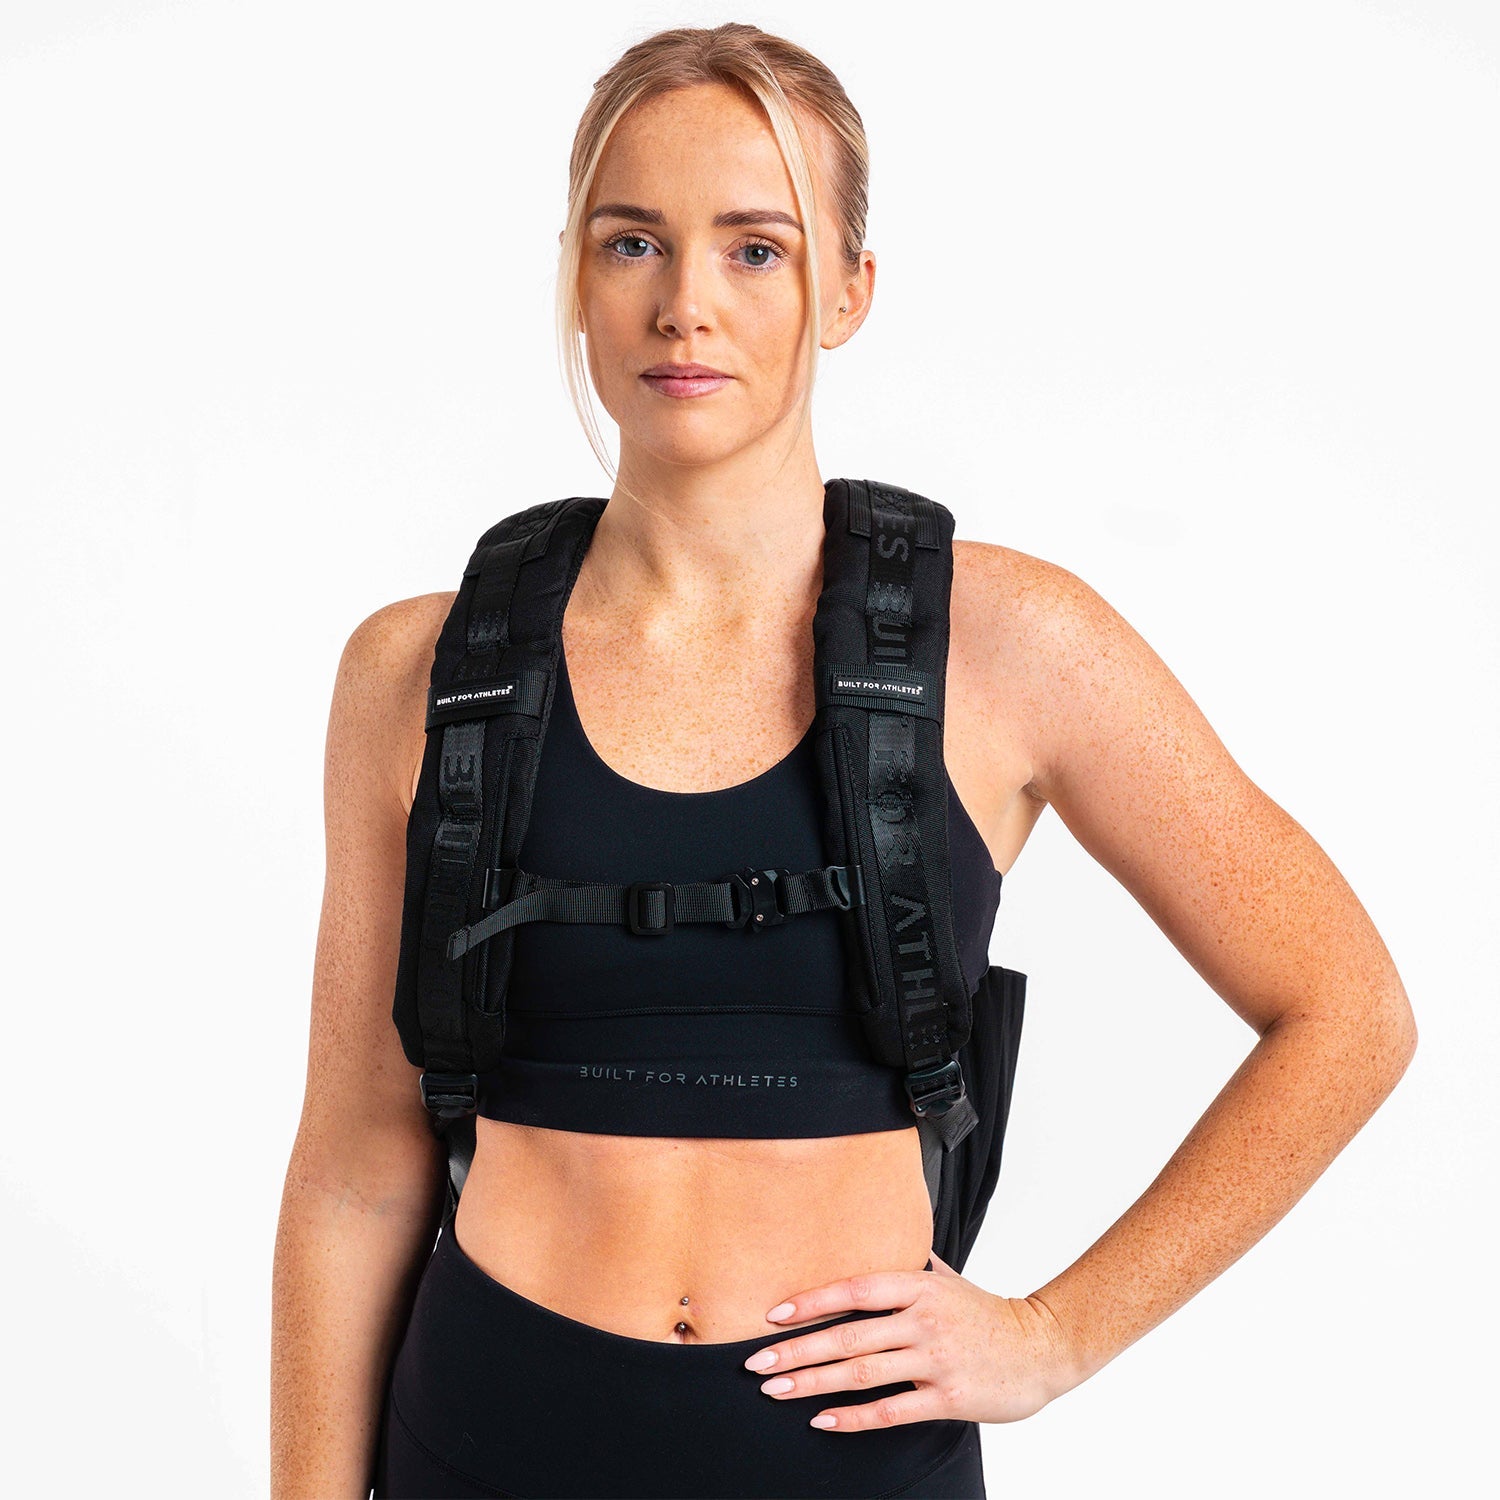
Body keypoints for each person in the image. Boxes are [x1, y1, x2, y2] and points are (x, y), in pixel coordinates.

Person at [269, 22, 1418, 1500]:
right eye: (633, 243)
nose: (685, 305)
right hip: (483, 1443)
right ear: (575, 273)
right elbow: (355, 1173)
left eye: (756, 249)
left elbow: (1347, 1012)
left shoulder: (1011, 645)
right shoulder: (420, 673)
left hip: (853, 1470)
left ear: (850, 291)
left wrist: (1057, 1338)